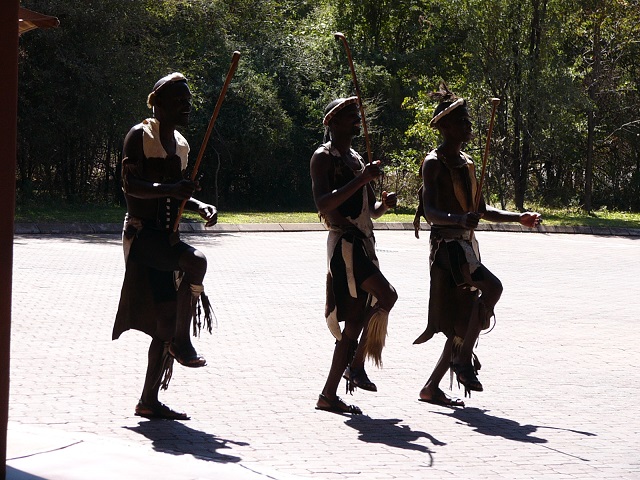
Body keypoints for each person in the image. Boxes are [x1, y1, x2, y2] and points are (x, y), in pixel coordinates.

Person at [413, 84, 541, 407]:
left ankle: (432, 386)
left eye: (468, 118)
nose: (468, 124)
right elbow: (430, 212)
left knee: (465, 320)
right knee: (492, 289)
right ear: (444, 126)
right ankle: (464, 357)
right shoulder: (433, 163)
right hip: (447, 251)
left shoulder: (468, 164)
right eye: (461, 119)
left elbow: (481, 211)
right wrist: (458, 220)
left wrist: (518, 218)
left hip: (466, 248)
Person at [113, 72, 218, 420]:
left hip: (166, 239)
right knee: (196, 261)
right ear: (157, 102)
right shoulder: (139, 136)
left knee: (165, 320)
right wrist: (171, 189)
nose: (186, 108)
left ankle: (148, 400)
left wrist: (198, 205)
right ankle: (183, 341)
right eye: (178, 102)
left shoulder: (183, 147)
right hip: (143, 237)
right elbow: (132, 187)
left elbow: (176, 192)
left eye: (188, 103)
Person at [310, 97, 399, 414]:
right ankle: (357, 364)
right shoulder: (323, 158)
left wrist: (384, 204)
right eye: (349, 115)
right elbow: (323, 204)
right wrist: (362, 179)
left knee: (356, 323)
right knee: (387, 295)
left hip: (363, 245)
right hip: (344, 247)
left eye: (356, 114)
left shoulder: (357, 158)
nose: (356, 119)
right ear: (332, 123)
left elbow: (371, 211)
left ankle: (328, 395)